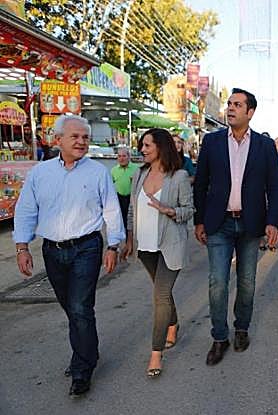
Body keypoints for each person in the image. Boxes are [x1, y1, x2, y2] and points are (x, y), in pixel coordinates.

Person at [13, 114, 124, 398]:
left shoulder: (98, 172)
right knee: (71, 308)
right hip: (52, 251)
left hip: (87, 248)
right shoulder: (40, 173)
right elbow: (26, 210)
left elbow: (112, 210)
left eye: (85, 137)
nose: (81, 142)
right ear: (58, 139)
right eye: (75, 136)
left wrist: (113, 245)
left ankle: (82, 369)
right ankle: (86, 351)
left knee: (80, 307)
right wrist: (22, 247)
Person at [193, 88, 278, 365]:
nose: (230, 108)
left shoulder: (265, 146)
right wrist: (199, 219)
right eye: (229, 104)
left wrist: (272, 222)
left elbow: (275, 187)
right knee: (217, 282)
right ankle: (220, 337)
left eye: (237, 105)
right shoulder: (212, 141)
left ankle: (241, 328)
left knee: (246, 281)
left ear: (250, 112)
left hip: (251, 223)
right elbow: (201, 183)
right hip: (219, 223)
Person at [121, 128, 194, 377]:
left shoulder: (179, 176)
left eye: (147, 145)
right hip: (145, 246)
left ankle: (155, 353)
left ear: (161, 147)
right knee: (162, 292)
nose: (142, 150)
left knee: (160, 295)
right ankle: (172, 323)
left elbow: (189, 210)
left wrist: (169, 210)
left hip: (170, 245)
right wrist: (129, 239)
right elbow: (132, 210)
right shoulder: (139, 174)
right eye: (142, 145)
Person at [111, 147, 139, 234]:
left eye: (124, 156)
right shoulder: (114, 170)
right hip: (119, 198)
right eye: (119, 156)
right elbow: (109, 186)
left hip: (132, 198)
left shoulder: (137, 169)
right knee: (121, 220)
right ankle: (124, 238)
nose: (121, 158)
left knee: (133, 221)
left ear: (129, 156)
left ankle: (131, 238)